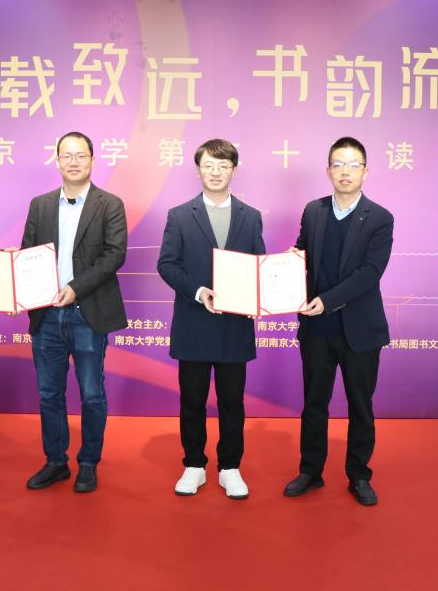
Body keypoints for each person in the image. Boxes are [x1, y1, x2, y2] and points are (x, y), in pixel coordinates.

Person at [283, 136, 394, 507]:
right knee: (314, 403)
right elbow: (303, 252)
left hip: (360, 330)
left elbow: (370, 273)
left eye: (353, 165)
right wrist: (288, 263)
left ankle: (359, 475)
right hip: (316, 328)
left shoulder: (379, 218)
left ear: (366, 171)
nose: (345, 172)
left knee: (360, 406)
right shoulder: (313, 210)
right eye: (338, 164)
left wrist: (327, 301)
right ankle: (310, 471)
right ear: (328, 170)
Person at [19, 131, 128, 493]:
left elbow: (114, 255)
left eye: (81, 155)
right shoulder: (40, 205)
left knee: (91, 394)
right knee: (49, 394)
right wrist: (18, 291)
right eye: (67, 155)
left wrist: (76, 287)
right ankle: (55, 461)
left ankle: (88, 463)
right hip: (47, 315)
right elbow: (28, 254)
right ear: (57, 161)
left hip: (87, 312)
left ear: (93, 160)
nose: (74, 162)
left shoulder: (109, 204)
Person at [157, 139, 265, 499]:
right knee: (192, 400)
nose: (216, 172)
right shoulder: (179, 215)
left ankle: (230, 467)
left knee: (232, 402)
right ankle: (194, 465)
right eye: (208, 165)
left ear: (234, 169)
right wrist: (199, 291)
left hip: (235, 325)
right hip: (194, 323)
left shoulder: (251, 216)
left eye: (223, 166)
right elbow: (167, 264)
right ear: (198, 169)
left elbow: (258, 266)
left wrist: (266, 287)